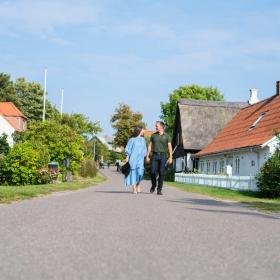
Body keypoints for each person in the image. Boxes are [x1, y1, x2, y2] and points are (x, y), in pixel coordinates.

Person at [146, 121, 172, 195]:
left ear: (161, 127)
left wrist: (170, 157)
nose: (155, 127)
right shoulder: (153, 135)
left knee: (161, 173)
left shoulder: (167, 136)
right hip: (154, 155)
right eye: (155, 126)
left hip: (163, 156)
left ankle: (159, 189)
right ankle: (154, 185)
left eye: (157, 126)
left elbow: (170, 147)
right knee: (152, 172)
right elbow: (150, 146)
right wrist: (147, 156)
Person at [124, 126, 147, 194]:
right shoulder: (132, 140)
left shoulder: (143, 140)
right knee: (133, 173)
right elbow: (128, 149)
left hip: (140, 159)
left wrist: (145, 156)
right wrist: (127, 157)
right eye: (143, 130)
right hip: (133, 159)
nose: (144, 131)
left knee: (140, 173)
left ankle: (138, 184)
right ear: (139, 131)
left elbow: (144, 149)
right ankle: (134, 188)